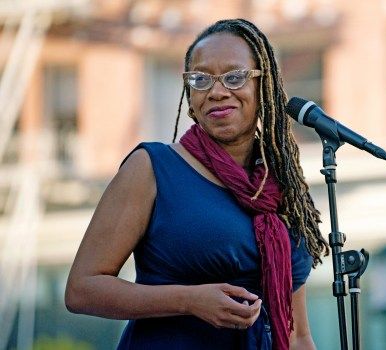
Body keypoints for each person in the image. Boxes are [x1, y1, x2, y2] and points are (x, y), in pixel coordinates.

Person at [65, 18, 329, 350]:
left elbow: (296, 335)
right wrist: (189, 300)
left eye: (234, 77)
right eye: (201, 79)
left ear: (264, 88)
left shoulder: (282, 187)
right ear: (190, 96)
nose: (217, 92)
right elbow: (82, 289)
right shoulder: (153, 167)